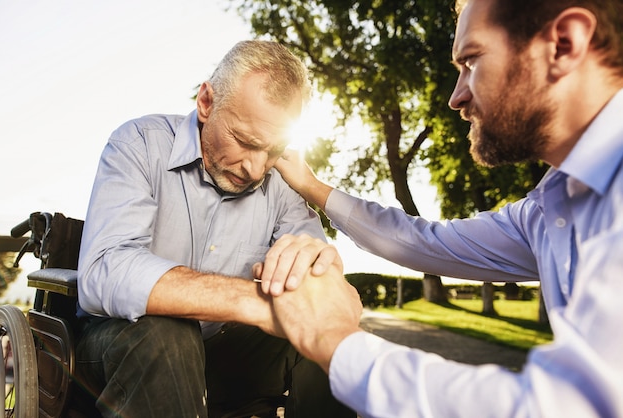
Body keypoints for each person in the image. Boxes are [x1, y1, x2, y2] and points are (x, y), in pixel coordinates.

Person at [254, 0, 623, 416]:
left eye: (472, 60)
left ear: (563, 44)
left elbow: (563, 407)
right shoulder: (550, 209)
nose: (456, 96)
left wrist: (333, 342)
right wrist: (313, 187)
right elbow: (423, 242)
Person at [75, 40, 355, 418]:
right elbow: (105, 271)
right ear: (206, 102)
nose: (256, 169)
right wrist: (253, 302)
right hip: (118, 347)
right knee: (170, 336)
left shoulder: (280, 184)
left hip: (222, 355)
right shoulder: (139, 144)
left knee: (327, 341)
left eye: (273, 151)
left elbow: (330, 297)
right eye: (245, 142)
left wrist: (321, 276)